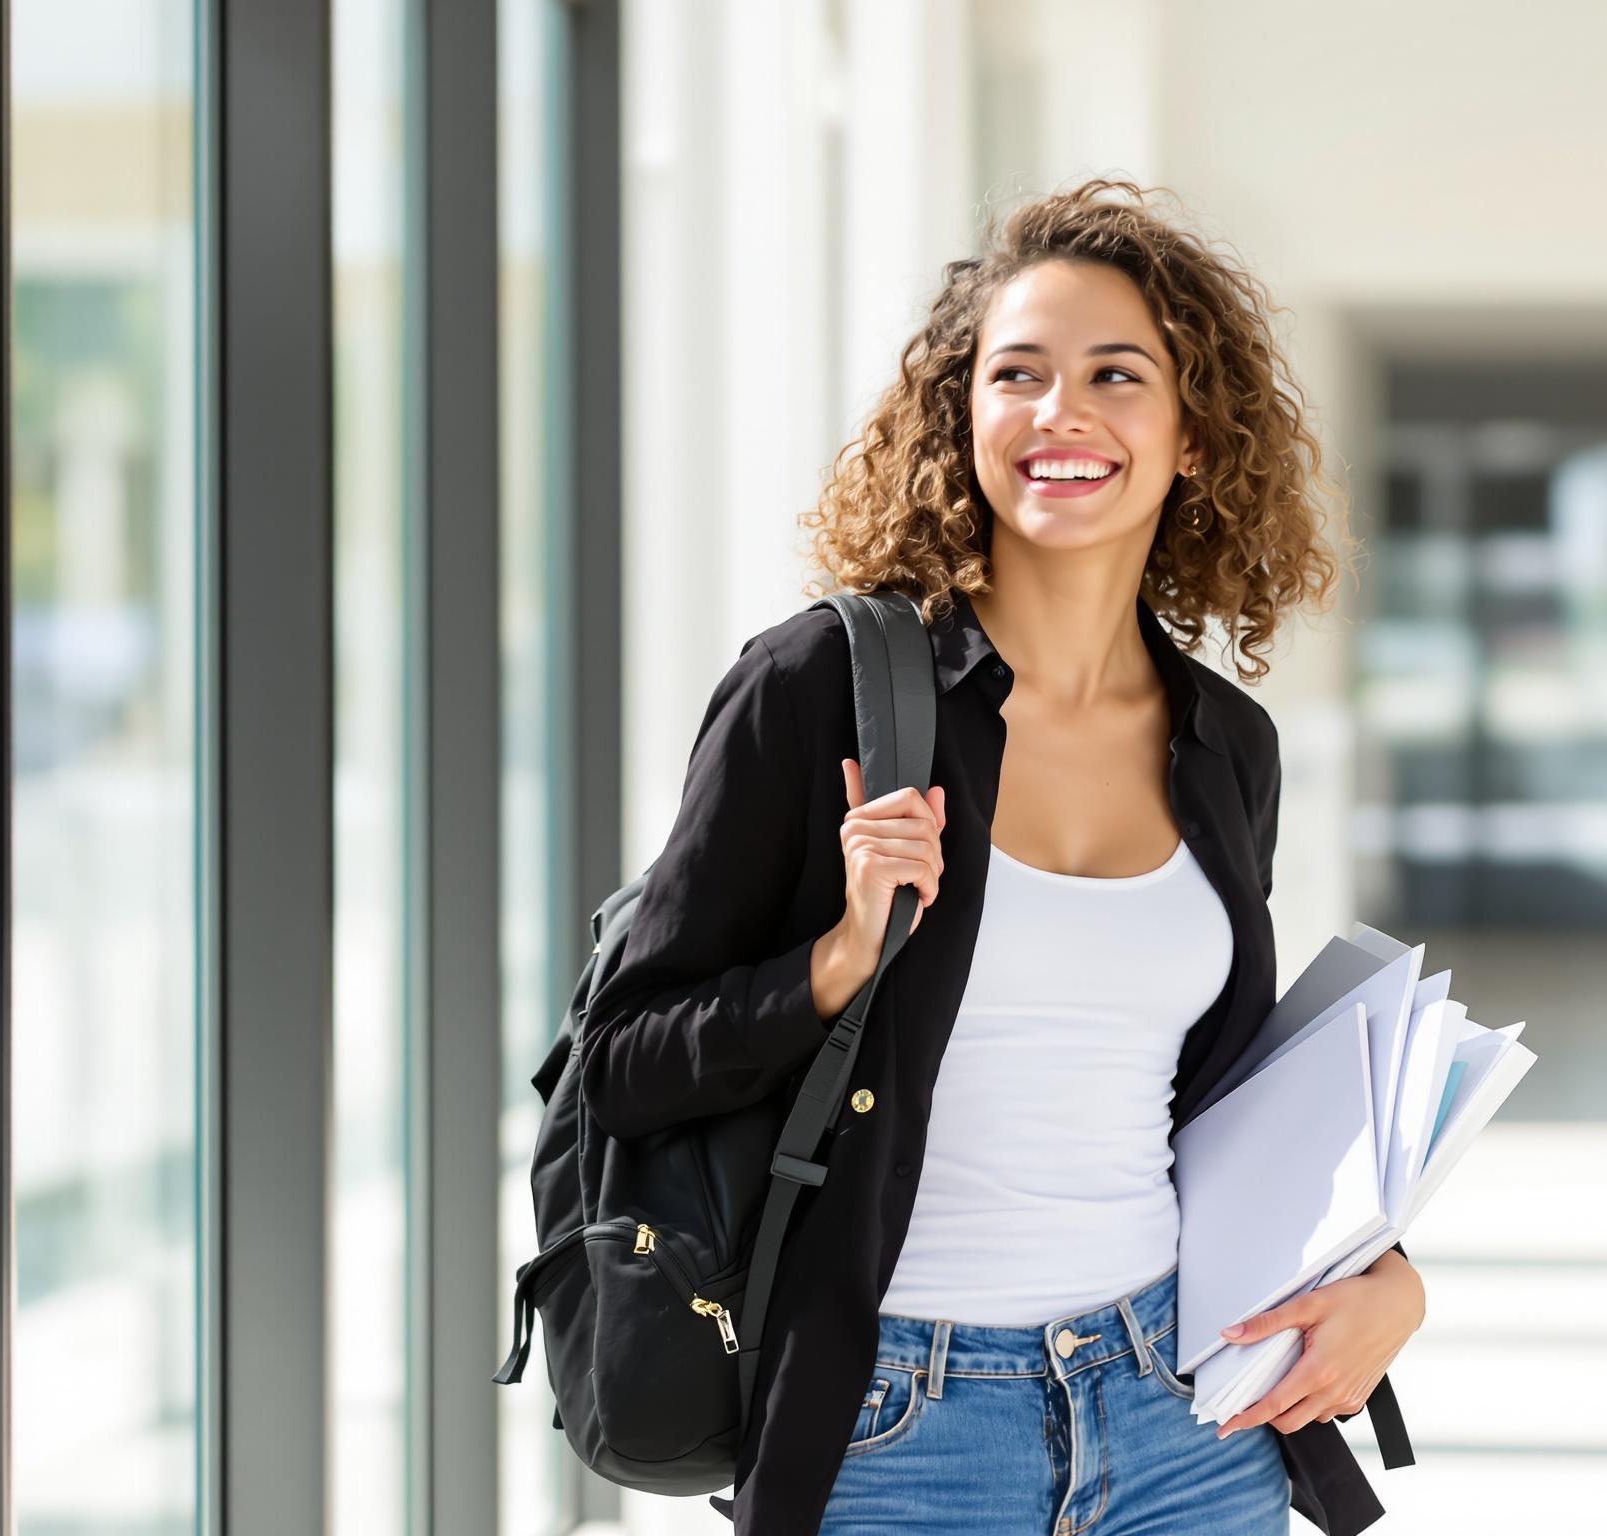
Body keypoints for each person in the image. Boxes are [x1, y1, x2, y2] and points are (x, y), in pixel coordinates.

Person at [575, 178, 1423, 1536]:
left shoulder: (1224, 746)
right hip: (898, 1426)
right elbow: (619, 1065)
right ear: (960, 418)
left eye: (1115, 375)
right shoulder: (818, 693)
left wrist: (1389, 1278)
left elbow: (1218, 1108)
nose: (1058, 413)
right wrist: (840, 963)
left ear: (1195, 435)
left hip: (1181, 1411)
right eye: (1014, 373)